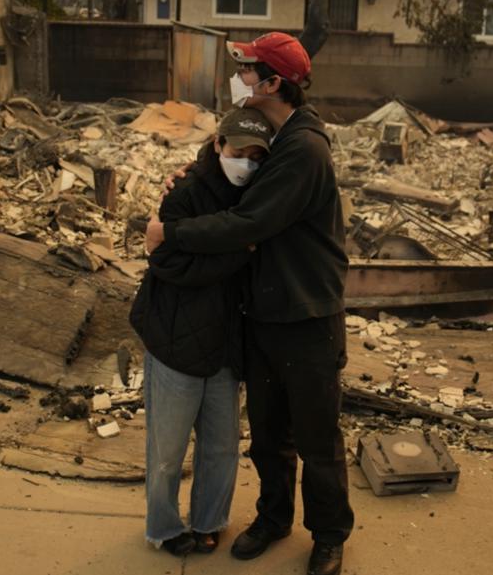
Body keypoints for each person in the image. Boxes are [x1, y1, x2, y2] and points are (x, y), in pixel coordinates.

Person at [146, 32, 352, 575]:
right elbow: (225, 159)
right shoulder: (274, 138)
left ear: (273, 83)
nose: (238, 77)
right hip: (263, 315)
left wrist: (171, 232)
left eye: (247, 69)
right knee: (268, 436)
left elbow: (249, 222)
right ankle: (273, 517)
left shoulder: (304, 148)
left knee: (316, 439)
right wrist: (190, 174)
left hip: (307, 317)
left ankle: (329, 536)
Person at [129, 108, 273, 557]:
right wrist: (240, 250)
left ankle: (209, 520)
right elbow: (168, 262)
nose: (245, 163)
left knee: (221, 447)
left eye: (255, 156)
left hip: (226, 344)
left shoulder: (257, 198)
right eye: (237, 152)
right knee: (167, 450)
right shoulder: (186, 191)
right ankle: (165, 528)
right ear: (217, 145)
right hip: (177, 338)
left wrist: (232, 247)